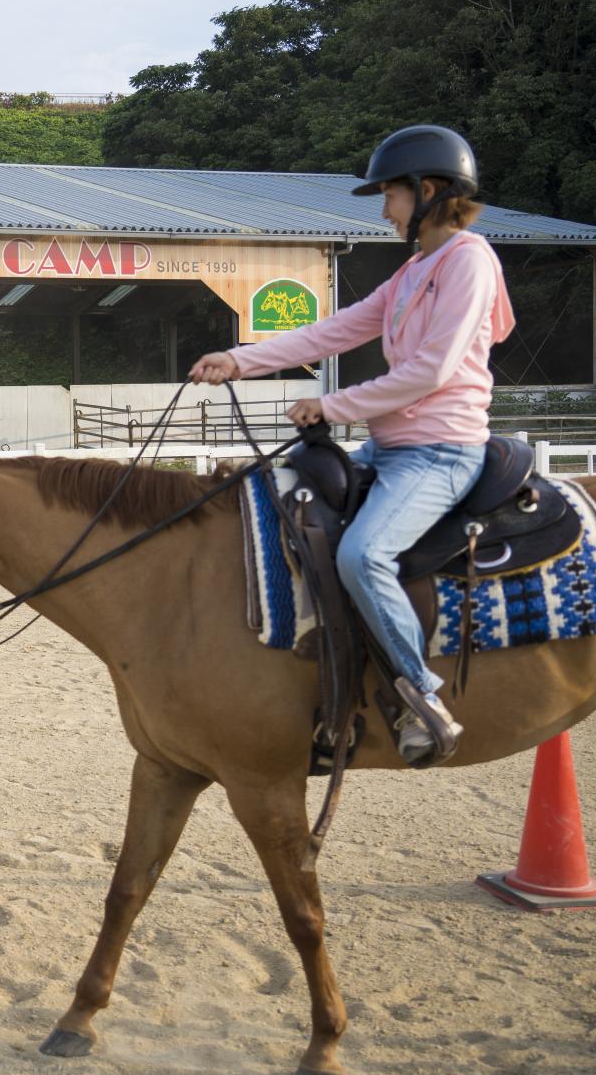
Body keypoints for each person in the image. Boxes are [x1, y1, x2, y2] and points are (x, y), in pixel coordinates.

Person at [189, 124, 516, 766]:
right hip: (390, 449)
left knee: (364, 556)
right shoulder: (412, 273)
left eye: (389, 195)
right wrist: (237, 358)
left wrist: (333, 406)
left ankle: (424, 697)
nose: (386, 209)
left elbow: (433, 369)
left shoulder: (470, 260)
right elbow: (330, 332)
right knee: (278, 501)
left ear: (427, 191)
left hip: (441, 452)